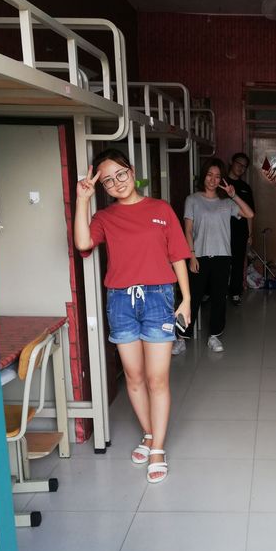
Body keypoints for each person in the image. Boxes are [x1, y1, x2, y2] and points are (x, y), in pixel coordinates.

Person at [74, 148, 191, 484]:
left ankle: (158, 449)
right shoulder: (105, 218)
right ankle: (150, 434)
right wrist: (82, 200)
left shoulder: (160, 209)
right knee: (134, 377)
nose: (117, 183)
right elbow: (83, 243)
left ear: (132, 171)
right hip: (120, 301)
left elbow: (178, 255)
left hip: (158, 298)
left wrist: (186, 299)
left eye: (121, 174)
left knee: (157, 379)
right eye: (108, 181)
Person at [173, 157, 254, 353]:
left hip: (222, 256)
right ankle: (181, 338)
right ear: (204, 176)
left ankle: (214, 336)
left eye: (217, 176)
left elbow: (249, 214)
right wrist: (192, 256)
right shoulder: (192, 200)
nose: (213, 179)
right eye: (210, 175)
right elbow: (188, 230)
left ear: (222, 179)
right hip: (199, 256)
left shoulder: (227, 202)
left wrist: (234, 195)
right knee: (192, 298)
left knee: (219, 298)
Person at [227, 152, 255, 305]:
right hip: (222, 231)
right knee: (221, 262)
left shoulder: (245, 188)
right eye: (239, 164)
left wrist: (250, 234)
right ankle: (213, 292)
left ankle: (235, 292)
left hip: (240, 231)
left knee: (238, 263)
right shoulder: (221, 182)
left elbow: (251, 213)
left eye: (244, 166)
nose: (241, 168)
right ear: (231, 162)